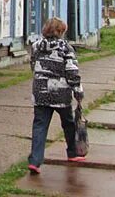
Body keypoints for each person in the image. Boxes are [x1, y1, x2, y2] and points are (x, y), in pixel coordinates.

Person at [27, 17, 84, 174]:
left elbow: (33, 65)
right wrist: (78, 90)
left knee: (40, 125)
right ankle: (72, 153)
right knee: (68, 123)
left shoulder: (36, 46)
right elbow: (72, 72)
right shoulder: (66, 48)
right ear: (60, 32)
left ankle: (35, 161)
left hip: (40, 92)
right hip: (60, 92)